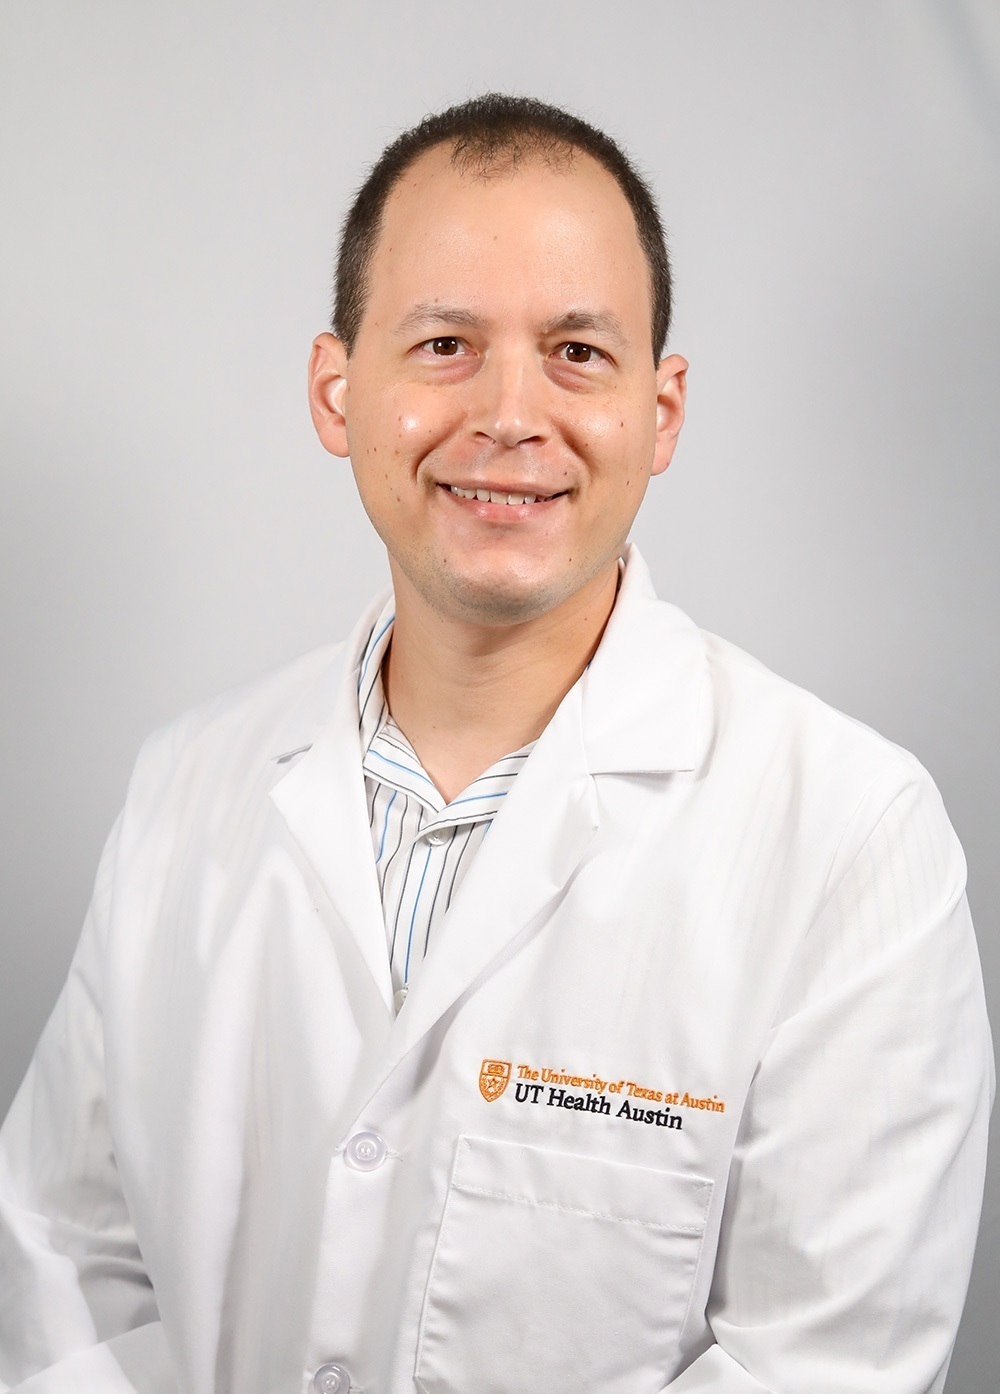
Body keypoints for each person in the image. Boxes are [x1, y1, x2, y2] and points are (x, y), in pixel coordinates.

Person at [0, 93, 992, 1394]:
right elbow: (62, 1271)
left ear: (663, 409)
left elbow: (826, 1362)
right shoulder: (187, 788)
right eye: (446, 343)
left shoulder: (850, 837)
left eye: (578, 351)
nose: (513, 413)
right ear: (336, 389)